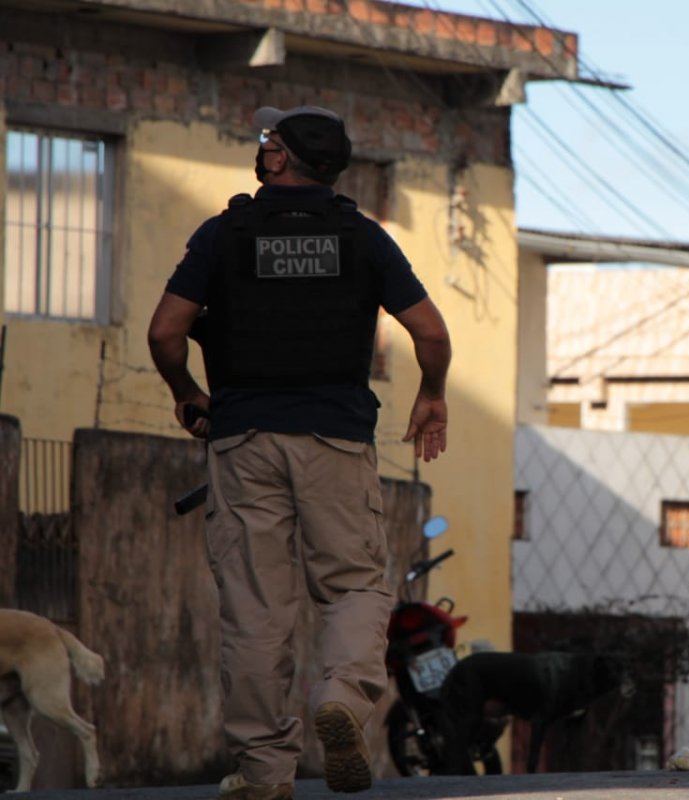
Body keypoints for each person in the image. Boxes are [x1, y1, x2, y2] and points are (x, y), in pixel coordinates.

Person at [148, 105, 452, 800]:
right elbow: (430, 333)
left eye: (267, 141)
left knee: (255, 607)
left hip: (244, 436)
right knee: (352, 585)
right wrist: (431, 393)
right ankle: (342, 696)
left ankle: (264, 771)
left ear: (280, 159)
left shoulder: (224, 234)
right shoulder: (363, 237)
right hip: (336, 438)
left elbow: (166, 332)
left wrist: (187, 392)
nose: (261, 149)